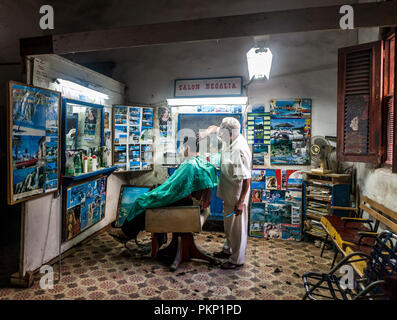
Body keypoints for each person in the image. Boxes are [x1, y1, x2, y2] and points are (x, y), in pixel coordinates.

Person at [198, 117, 252, 269]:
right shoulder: (229, 137)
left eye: (222, 133)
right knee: (229, 226)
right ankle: (228, 250)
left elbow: (247, 179)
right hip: (227, 193)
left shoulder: (238, 149)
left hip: (236, 196)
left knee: (237, 229)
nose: (219, 135)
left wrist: (241, 202)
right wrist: (206, 133)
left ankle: (236, 260)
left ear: (230, 133)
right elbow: (214, 127)